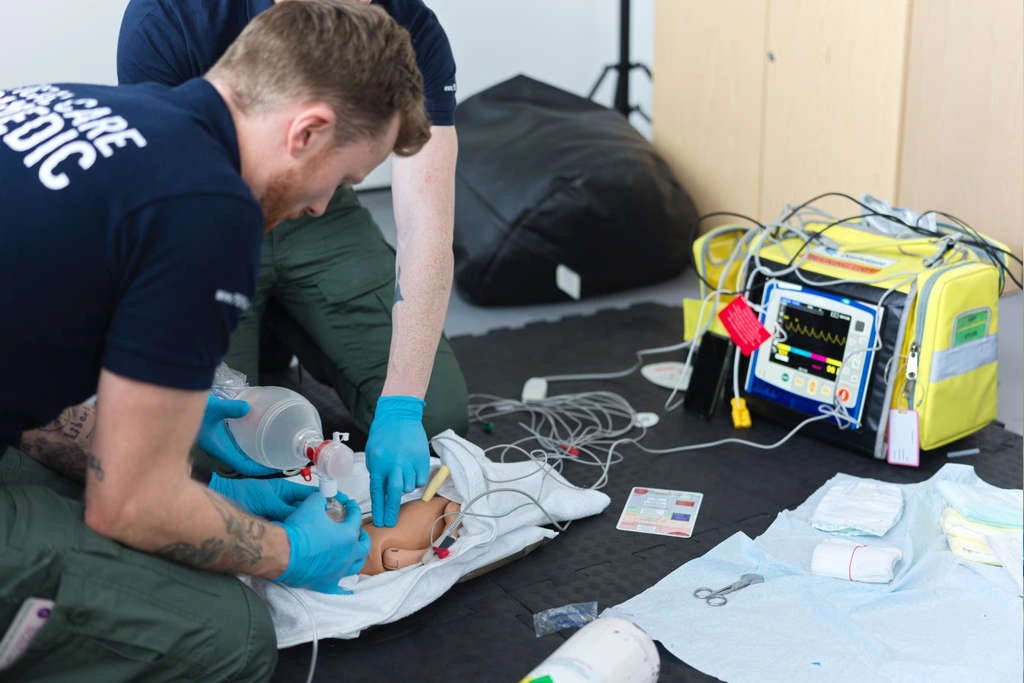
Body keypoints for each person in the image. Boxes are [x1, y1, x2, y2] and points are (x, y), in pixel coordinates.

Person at [0, 2, 429, 679]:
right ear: (308, 131)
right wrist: (287, 552)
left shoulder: (74, 102)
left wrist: (207, 482)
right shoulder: (210, 211)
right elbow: (130, 505)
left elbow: (25, 404)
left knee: (86, 489)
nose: (322, 207)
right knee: (229, 630)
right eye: (342, 180)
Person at [117, 0, 470, 528]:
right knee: (211, 459)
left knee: (437, 417)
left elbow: (426, 226)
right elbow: (167, 233)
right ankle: (262, 324)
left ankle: (284, 319)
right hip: (206, 220)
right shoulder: (169, 18)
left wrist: (402, 407)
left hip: (321, 215)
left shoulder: (409, 26)